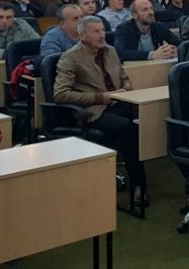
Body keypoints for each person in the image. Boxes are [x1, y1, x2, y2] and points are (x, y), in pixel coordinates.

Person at [53, 15, 145, 204]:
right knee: (129, 129)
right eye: (96, 31)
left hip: (120, 101)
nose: (102, 35)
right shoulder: (70, 58)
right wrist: (102, 97)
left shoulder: (110, 51)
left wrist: (126, 87)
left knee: (146, 118)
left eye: (102, 30)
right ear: (82, 36)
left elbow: (123, 76)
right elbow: (60, 95)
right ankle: (138, 184)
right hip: (94, 110)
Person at [113, 0, 180, 62]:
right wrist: (152, 55)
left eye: (151, 8)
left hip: (157, 65)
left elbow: (179, 43)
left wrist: (175, 50)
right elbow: (121, 53)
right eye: (145, 9)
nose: (151, 12)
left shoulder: (159, 27)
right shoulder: (123, 29)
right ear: (134, 15)